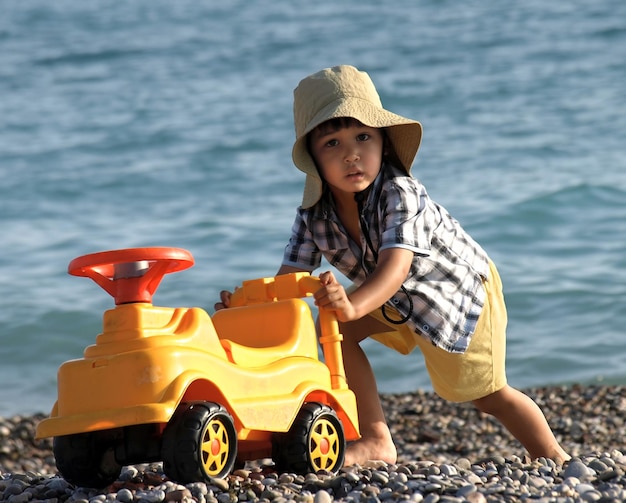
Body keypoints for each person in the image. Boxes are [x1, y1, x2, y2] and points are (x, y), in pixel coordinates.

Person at [215, 65, 570, 466]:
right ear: (313, 159)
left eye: (363, 137)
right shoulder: (313, 214)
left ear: (383, 143)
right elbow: (289, 279)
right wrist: (250, 309)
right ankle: (377, 439)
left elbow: (395, 267)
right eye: (332, 143)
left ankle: (554, 457)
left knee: (488, 397)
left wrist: (352, 305)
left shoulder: (400, 192)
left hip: (455, 295)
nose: (352, 154)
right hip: (394, 298)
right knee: (336, 329)